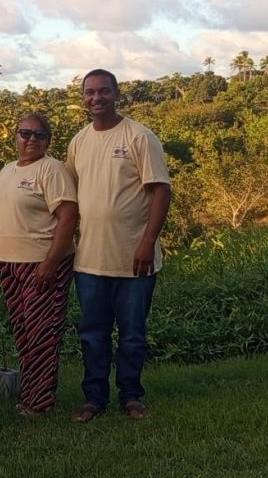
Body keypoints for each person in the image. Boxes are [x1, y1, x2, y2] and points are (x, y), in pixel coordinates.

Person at [65, 69, 171, 423]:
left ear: (116, 94)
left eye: (104, 91)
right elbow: (71, 197)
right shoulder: (79, 142)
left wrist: (147, 243)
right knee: (92, 335)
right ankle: (94, 399)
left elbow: (161, 191)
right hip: (89, 261)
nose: (96, 98)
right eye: (90, 92)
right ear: (83, 97)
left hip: (134, 258)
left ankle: (131, 396)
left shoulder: (139, 136)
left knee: (132, 335)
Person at [0, 114, 79, 416]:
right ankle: (30, 394)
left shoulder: (51, 169)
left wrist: (51, 261)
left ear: (48, 140)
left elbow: (68, 216)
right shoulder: (7, 170)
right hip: (9, 262)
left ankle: (40, 403)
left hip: (41, 262)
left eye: (39, 135)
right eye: (25, 133)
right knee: (24, 332)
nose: (31, 139)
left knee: (42, 333)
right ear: (15, 136)